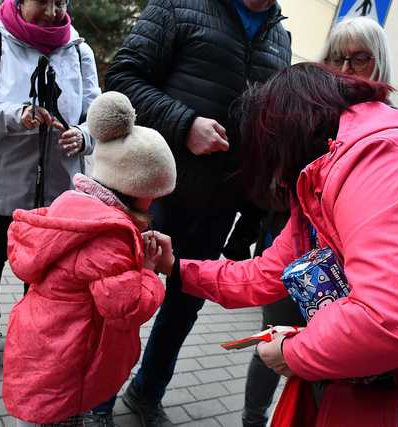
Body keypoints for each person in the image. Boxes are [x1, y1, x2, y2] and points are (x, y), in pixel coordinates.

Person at [146, 63, 398, 426]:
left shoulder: (380, 161)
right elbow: (266, 273)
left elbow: (392, 319)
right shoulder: (325, 178)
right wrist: (176, 266)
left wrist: (293, 353)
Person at [104, 1, 292, 425]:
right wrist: (184, 124)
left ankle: (147, 391)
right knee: (123, 299)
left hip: (217, 205)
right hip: (148, 193)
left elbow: (263, 134)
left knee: (184, 307)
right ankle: (97, 400)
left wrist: (251, 210)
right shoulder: (178, 5)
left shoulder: (280, 38)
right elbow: (122, 79)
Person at [239, 16, 395, 427]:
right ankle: (253, 418)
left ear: (378, 63)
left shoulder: (388, 132)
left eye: (358, 59)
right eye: (335, 59)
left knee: (331, 363)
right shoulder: (307, 112)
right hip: (296, 251)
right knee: (272, 337)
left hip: (349, 276)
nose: (344, 71)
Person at [2, 92, 175, 427]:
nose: (155, 202)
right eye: (155, 193)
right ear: (137, 188)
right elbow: (125, 308)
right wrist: (150, 272)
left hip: (41, 340)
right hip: (69, 354)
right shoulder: (109, 239)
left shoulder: (71, 210)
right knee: (59, 417)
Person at [0, 0, 100, 374]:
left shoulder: (79, 51)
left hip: (60, 188)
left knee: (49, 268)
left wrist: (83, 136)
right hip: (7, 181)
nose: (53, 11)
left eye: (61, 2)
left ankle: (35, 334)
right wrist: (16, 115)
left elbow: (97, 116)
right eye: (44, 2)